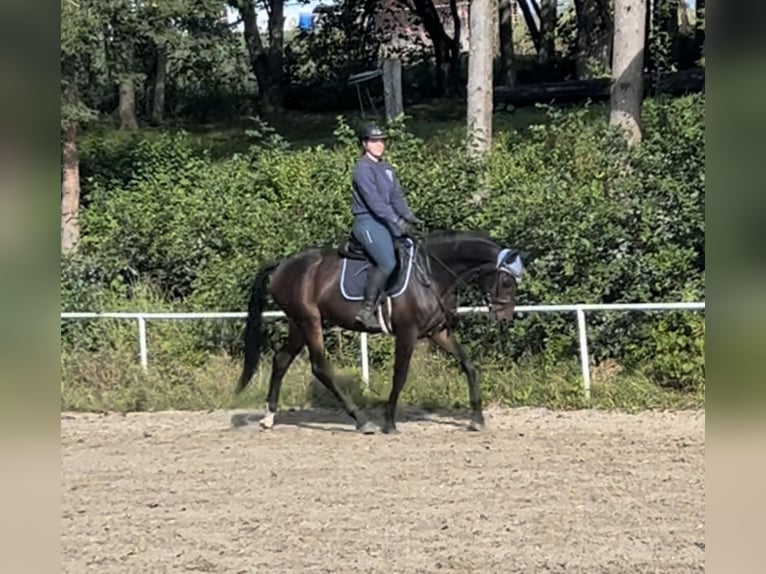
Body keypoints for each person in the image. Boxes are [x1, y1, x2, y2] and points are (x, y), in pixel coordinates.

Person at [350, 122, 423, 329]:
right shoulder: (362, 169)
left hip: (385, 220)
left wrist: (409, 216)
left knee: (412, 252)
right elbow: (375, 203)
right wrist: (396, 221)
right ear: (365, 144)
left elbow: (395, 198)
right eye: (374, 141)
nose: (379, 144)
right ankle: (366, 310)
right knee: (387, 262)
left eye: (381, 140)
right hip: (368, 222)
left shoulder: (387, 169)